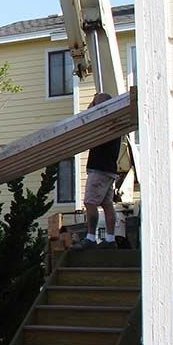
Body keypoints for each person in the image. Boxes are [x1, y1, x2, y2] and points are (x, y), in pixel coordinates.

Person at [72, 92, 121, 250]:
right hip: (109, 169)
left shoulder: (103, 121)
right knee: (107, 204)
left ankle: (91, 238)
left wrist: (93, 104)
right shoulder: (114, 122)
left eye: (96, 104)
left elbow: (87, 117)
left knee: (90, 202)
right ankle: (110, 239)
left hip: (99, 169)